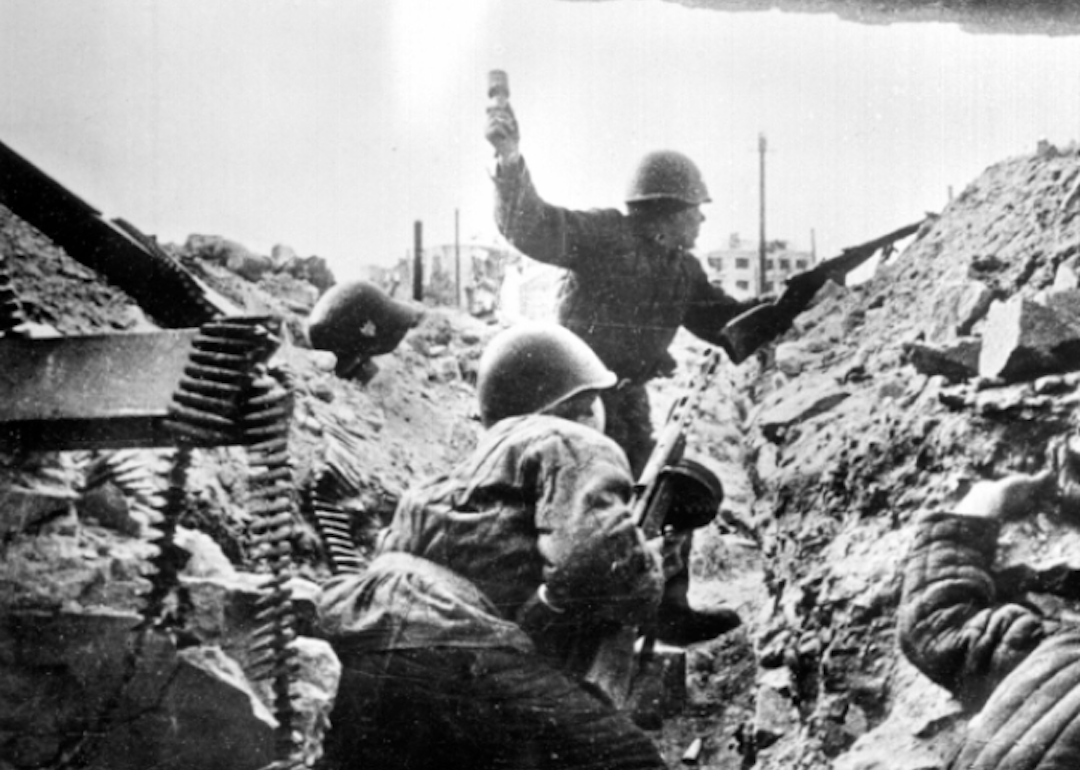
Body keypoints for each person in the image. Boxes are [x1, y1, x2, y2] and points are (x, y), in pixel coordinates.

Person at [317, 322, 682, 770]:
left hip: (358, 654)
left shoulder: (453, 478)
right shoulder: (568, 437)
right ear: (582, 405)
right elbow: (592, 558)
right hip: (453, 653)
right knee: (629, 759)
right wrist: (647, 571)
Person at [486, 96, 756, 646]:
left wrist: (802, 306)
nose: (702, 219)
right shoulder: (605, 236)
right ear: (666, 210)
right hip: (574, 405)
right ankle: (550, 623)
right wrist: (509, 160)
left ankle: (665, 607)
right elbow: (531, 226)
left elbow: (728, 323)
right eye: (694, 209)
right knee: (578, 509)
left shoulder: (683, 269)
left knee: (667, 491)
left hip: (628, 401)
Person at [898, 464, 1080, 769]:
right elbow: (939, 628)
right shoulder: (1060, 655)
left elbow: (936, 629)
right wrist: (977, 511)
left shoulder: (1061, 654)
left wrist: (977, 510)